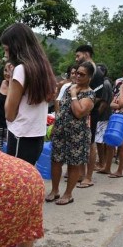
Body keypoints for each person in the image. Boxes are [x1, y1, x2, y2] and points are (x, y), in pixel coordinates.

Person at [0, 22, 56, 247]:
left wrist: (9, 85)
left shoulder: (21, 70)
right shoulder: (42, 68)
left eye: (6, 48)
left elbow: (9, 112)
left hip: (20, 138)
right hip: (34, 139)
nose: (5, 54)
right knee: (29, 201)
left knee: (19, 206)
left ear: (15, 46)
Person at [46, 61, 95, 204]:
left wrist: (74, 95)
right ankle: (55, 191)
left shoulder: (90, 94)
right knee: (56, 161)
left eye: (82, 74)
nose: (77, 76)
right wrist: (55, 125)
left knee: (74, 164)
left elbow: (79, 112)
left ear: (89, 77)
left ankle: (68, 194)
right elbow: (60, 107)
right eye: (76, 73)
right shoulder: (68, 87)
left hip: (77, 134)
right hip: (61, 130)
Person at [73, 45, 104, 188]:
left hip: (90, 113)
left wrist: (83, 107)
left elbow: (97, 97)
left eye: (78, 56)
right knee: (80, 143)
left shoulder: (96, 73)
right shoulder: (83, 71)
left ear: (86, 54)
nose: (76, 59)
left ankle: (88, 177)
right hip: (78, 112)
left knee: (90, 144)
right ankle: (80, 173)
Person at [93, 63, 113, 171]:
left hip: (102, 116)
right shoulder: (103, 83)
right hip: (103, 116)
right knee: (101, 140)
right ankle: (102, 161)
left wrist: (96, 116)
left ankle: (102, 163)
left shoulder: (105, 84)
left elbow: (104, 103)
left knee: (99, 141)